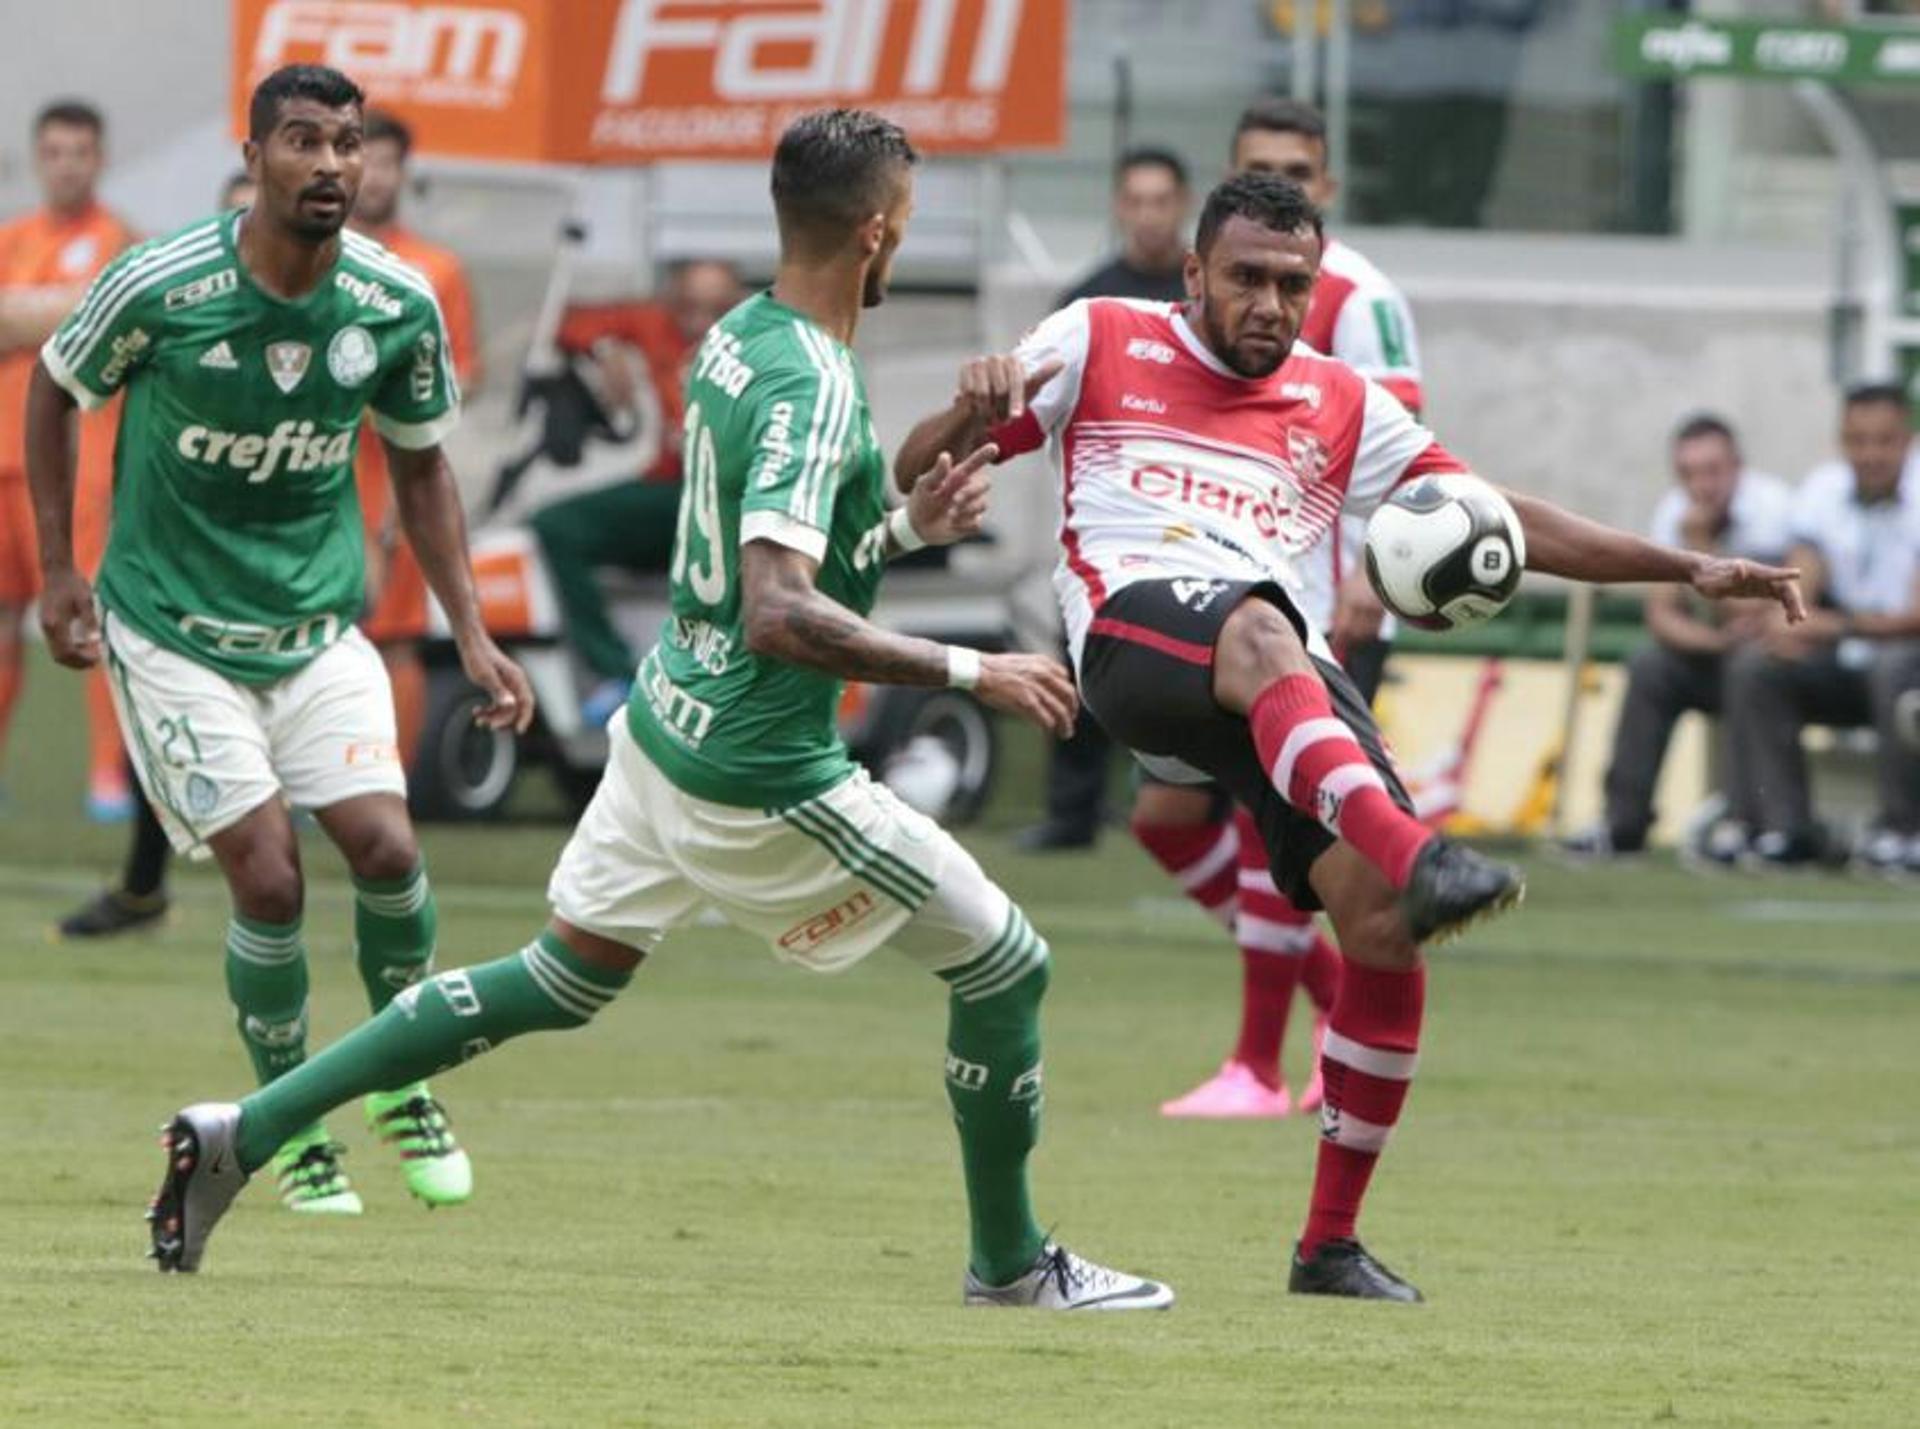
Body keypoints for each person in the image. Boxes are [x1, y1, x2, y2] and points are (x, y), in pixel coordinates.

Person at [141, 107, 1173, 1312]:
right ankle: (1009, 1263)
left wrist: (901, 529)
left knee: (556, 979)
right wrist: (971, 671)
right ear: (882, 230)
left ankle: (240, 1131)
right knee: (1007, 965)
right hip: (759, 768)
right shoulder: (814, 380)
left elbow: (777, 556)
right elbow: (780, 616)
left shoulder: (741, 335)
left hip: (664, 730)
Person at [894, 171, 1803, 1301]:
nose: (1271, 302)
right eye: (1247, 279)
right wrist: (966, 410)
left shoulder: (1342, 399)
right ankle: (1422, 852)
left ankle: (1328, 1243)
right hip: (1137, 629)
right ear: (1194, 275)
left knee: (1378, 925)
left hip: (1281, 677)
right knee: (1282, 652)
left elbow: (1499, 516)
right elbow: (916, 475)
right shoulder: (1100, 335)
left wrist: (1691, 566)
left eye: (1293, 282)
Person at [29, 65, 533, 1217]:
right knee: (268, 872)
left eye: (347, 143)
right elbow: (53, 391)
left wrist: (471, 630)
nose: (331, 165)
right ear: (254, 158)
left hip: (315, 629)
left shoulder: (394, 301)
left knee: (392, 857)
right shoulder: (163, 282)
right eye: (303, 141)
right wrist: (61, 566)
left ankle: (399, 1080)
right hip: (172, 631)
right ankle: (286, 1122)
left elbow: (422, 465)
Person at [1138, 97, 1431, 1120]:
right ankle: (1320, 992)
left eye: (1301, 172)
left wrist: (1370, 579)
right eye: (1264, 168)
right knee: (1166, 819)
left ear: (1330, 187)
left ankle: (1258, 1063)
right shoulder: (1208, 296)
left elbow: (1403, 445)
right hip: (1205, 597)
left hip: (1320, 608)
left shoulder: (1360, 295)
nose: (1286, 185)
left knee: (1286, 824)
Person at [57, 172, 260, 941]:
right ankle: (145, 886)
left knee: (278, 731)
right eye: (238, 205)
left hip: (291, 560)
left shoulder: (330, 313)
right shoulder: (177, 305)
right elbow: (63, 350)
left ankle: (286, 893)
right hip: (177, 555)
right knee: (167, 715)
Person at [1018, 146, 1193, 852]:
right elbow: (1043, 404)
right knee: (1086, 666)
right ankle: (1072, 813)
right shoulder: (1087, 302)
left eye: (1162, 201)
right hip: (1108, 519)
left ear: (1183, 204)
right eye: (1137, 201)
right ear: (1120, 207)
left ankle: (1204, 814)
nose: (1149, 215)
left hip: (1198, 510)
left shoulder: (1210, 292)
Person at [1559, 414, 1793, 859]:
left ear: (1738, 468)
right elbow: (1662, 616)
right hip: (1723, 650)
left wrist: (1702, 547)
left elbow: (1772, 607)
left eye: (1713, 471)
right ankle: (1621, 823)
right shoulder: (1675, 513)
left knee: (1752, 668)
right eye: (1688, 474)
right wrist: (1719, 642)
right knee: (1650, 665)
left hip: (1772, 662)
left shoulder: (1774, 509)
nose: (1702, 486)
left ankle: (1753, 826)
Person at [529, 257, 746, 725]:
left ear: (736, 307)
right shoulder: (654, 326)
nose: (700, 320)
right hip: (667, 493)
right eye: (689, 305)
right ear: (671, 300)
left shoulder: (755, 346)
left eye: (715, 309)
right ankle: (616, 672)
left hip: (728, 500)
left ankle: (721, 684)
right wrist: (607, 350)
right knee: (554, 525)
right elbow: (562, 320)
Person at [0, 100, 137, 819]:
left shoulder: (122, 241)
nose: (67, 164)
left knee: (89, 617)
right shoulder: (11, 236)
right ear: (37, 157)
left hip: (83, 464)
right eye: (54, 151)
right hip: (3, 457)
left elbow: (111, 314)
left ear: (100, 157)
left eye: (80, 151)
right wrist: (63, 309)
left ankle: (108, 777)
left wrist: (27, 313)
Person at [1723, 383, 1920, 871]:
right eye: (1858, 440)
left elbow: (1915, 617)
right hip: (1847, 658)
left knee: (1895, 667)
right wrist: (1789, 622)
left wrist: (1834, 627)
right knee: (1758, 666)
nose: (1870, 454)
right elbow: (1801, 582)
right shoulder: (1823, 489)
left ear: (1908, 439)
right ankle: (1783, 829)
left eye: (1884, 440)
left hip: (1907, 658)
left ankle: (1902, 832)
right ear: (1842, 441)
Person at [348, 109, 482, 770]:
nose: (373, 175)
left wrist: (397, 400)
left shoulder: (435, 269)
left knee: (393, 635)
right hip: (307, 467)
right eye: (362, 159)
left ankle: (384, 781)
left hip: (395, 473)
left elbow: (466, 373)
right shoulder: (314, 257)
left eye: (386, 161)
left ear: (405, 171)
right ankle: (305, 780)